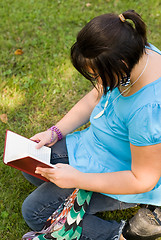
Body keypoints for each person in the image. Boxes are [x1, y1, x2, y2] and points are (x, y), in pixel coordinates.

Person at [22, 10, 161, 240]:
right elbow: (95, 97)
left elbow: (143, 179)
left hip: (122, 172)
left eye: (96, 76)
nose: (96, 83)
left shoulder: (147, 111)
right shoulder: (135, 51)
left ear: (120, 64)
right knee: (34, 166)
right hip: (93, 147)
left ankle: (123, 234)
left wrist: (77, 179)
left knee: (34, 213)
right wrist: (53, 132)